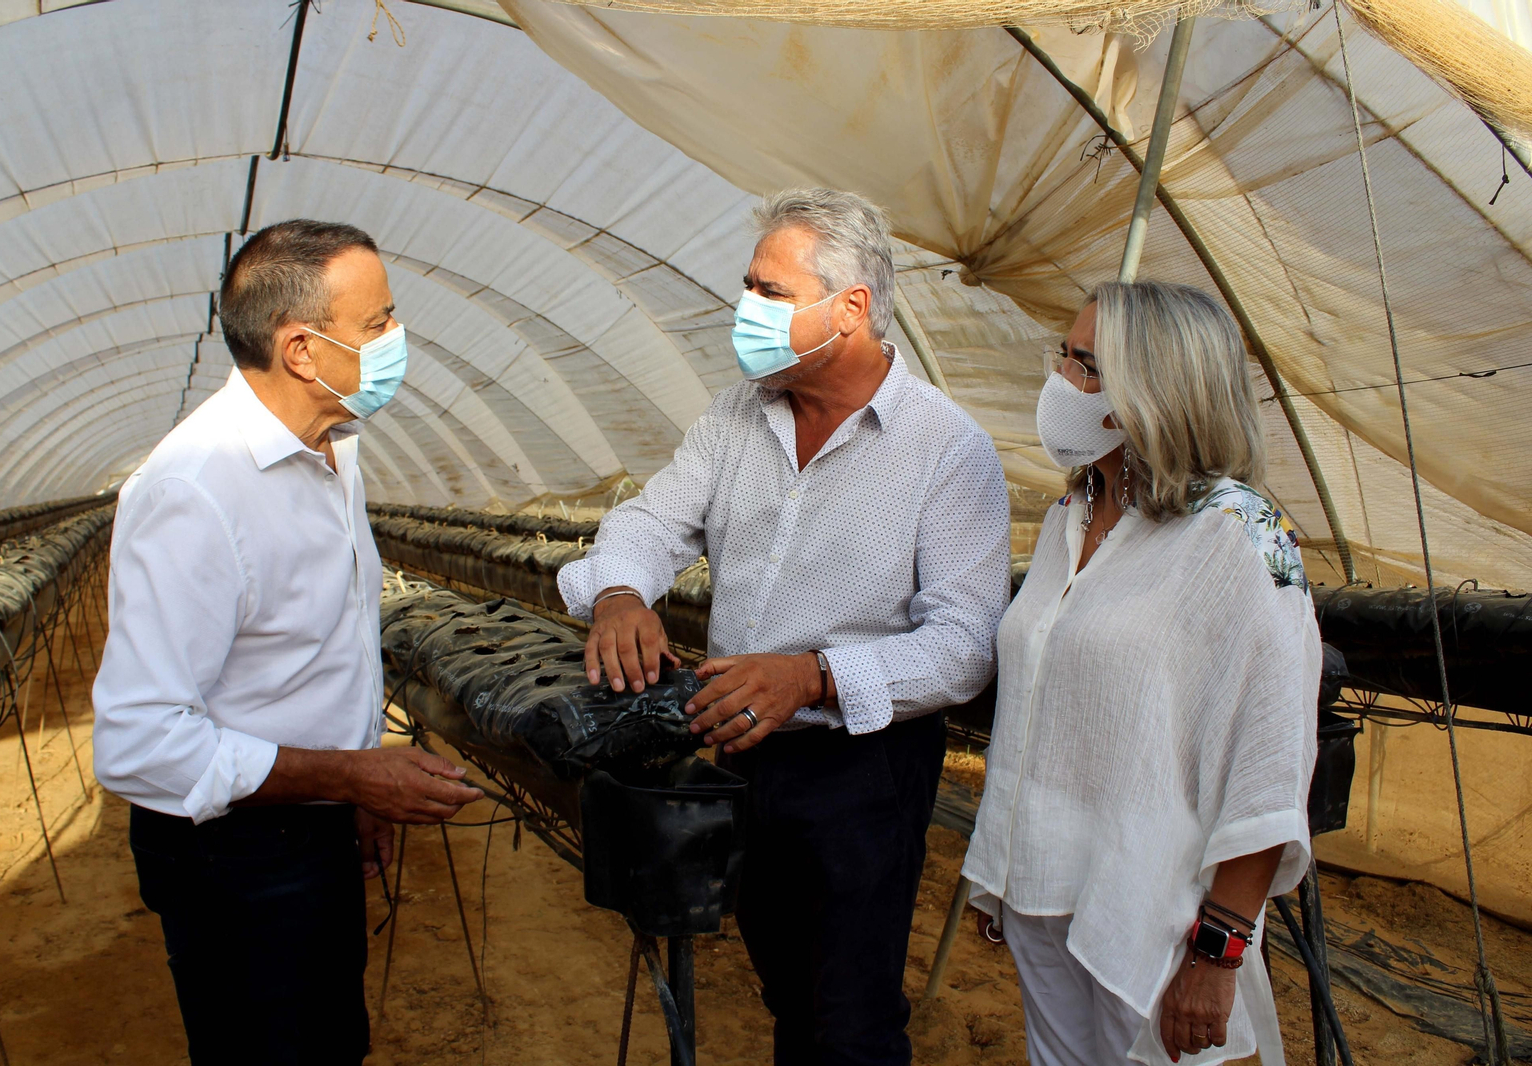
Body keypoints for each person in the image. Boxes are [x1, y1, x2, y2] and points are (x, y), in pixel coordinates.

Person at [557, 188, 1011, 1065]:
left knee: (852, 1018)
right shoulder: (736, 417)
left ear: (853, 308)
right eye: (747, 287)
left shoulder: (945, 450)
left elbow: (964, 643)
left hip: (861, 765)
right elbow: (653, 522)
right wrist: (620, 594)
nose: (747, 311)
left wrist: (813, 676)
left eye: (771, 291)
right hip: (743, 747)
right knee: (787, 989)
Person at [93, 219, 482, 1064]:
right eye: (378, 323)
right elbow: (140, 743)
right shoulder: (195, 491)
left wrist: (351, 793)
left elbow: (321, 645)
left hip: (311, 827)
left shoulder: (337, 443)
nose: (396, 340)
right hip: (234, 860)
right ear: (303, 349)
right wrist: (348, 773)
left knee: (329, 1039)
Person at [961, 280, 1320, 1066]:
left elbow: (1269, 763)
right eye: (1065, 355)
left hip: (1152, 912)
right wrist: (1003, 869)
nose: (1060, 380)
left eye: (1085, 365)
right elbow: (1039, 699)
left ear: (1149, 391)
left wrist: (1218, 948)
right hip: (1040, 891)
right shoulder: (1070, 517)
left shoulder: (1237, 535)